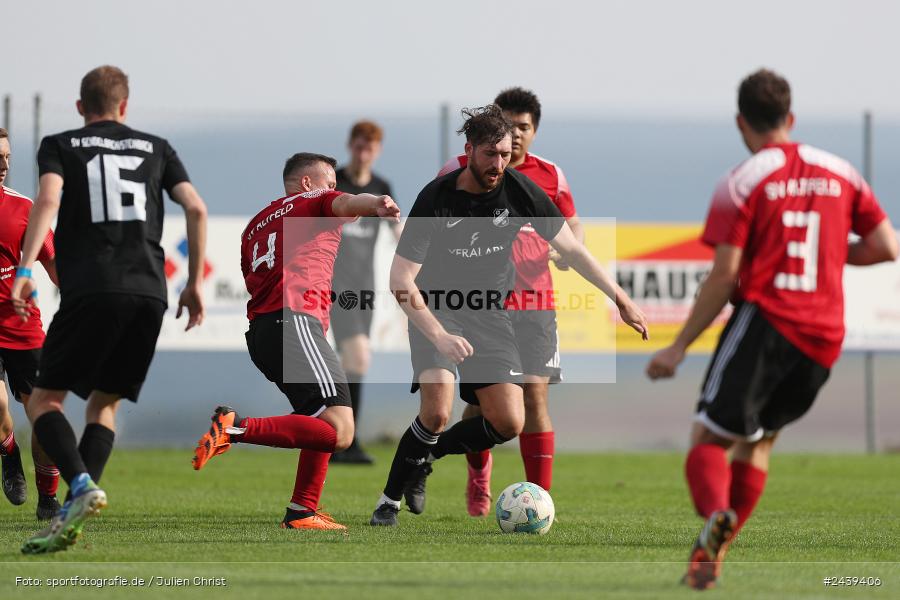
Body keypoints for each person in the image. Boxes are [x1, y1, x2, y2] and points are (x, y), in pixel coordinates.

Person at [646, 69, 898, 590]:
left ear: (741, 122)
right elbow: (885, 247)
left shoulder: (742, 180)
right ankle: (712, 556)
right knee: (758, 445)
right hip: (825, 338)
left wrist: (678, 345)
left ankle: (715, 516)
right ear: (791, 117)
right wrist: (835, 252)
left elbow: (723, 276)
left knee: (708, 439)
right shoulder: (841, 172)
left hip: (769, 321)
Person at [370, 105, 648, 526]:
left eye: (503, 154)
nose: (498, 163)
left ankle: (425, 454)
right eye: (489, 154)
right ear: (468, 151)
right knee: (438, 410)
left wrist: (621, 299)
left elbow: (572, 248)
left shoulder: (519, 191)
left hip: (490, 316)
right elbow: (400, 280)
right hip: (437, 311)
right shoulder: (437, 197)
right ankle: (387, 502)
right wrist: (439, 334)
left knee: (509, 421)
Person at [12, 65, 208, 554]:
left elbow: (49, 199)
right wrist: (194, 286)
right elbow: (197, 208)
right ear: (125, 106)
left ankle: (79, 485)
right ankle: (71, 512)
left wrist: (23, 269)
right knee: (104, 404)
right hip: (149, 291)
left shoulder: (60, 144)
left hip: (93, 286)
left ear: (81, 108)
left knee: (42, 401)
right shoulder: (157, 146)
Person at [192, 153, 399, 530]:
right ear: (307, 183)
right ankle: (235, 427)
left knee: (317, 417)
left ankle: (302, 510)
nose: (335, 189)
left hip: (263, 333)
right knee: (340, 430)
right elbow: (349, 202)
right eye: (331, 181)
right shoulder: (313, 202)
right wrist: (377, 204)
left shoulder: (255, 226)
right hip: (294, 323)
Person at [438, 88, 583, 515]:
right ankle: (479, 476)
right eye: (508, 125)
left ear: (534, 131)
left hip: (536, 302)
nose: (515, 135)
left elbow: (573, 226)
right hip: (480, 306)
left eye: (524, 127)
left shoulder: (551, 175)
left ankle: (539, 502)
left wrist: (566, 251)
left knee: (535, 395)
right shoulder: (458, 171)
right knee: (482, 402)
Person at [329, 120, 399, 465]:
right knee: (357, 358)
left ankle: (338, 438)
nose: (363, 152)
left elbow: (396, 230)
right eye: (358, 145)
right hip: (332, 285)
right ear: (350, 145)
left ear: (377, 150)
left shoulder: (382, 186)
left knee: (352, 363)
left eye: (369, 147)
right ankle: (346, 441)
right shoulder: (335, 182)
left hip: (364, 287)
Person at [0, 128, 61, 520]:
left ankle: (48, 496)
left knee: (45, 416)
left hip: (23, 327)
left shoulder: (23, 209)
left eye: (6, 155)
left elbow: (57, 269)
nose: (3, 163)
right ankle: (8, 453)